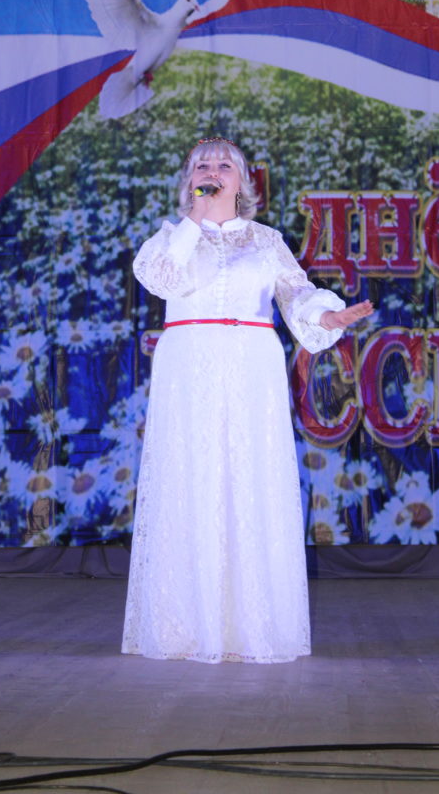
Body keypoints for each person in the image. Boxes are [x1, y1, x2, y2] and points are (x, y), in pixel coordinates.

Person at [122, 138, 373, 663]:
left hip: (251, 366)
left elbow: (296, 294)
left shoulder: (266, 240)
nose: (211, 171)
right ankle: (183, 627)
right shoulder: (170, 237)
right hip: (189, 364)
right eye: (201, 166)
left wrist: (327, 316)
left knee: (248, 478)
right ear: (189, 180)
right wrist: (195, 219)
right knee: (191, 479)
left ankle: (250, 626)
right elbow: (160, 280)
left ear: (242, 181)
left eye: (223, 165)